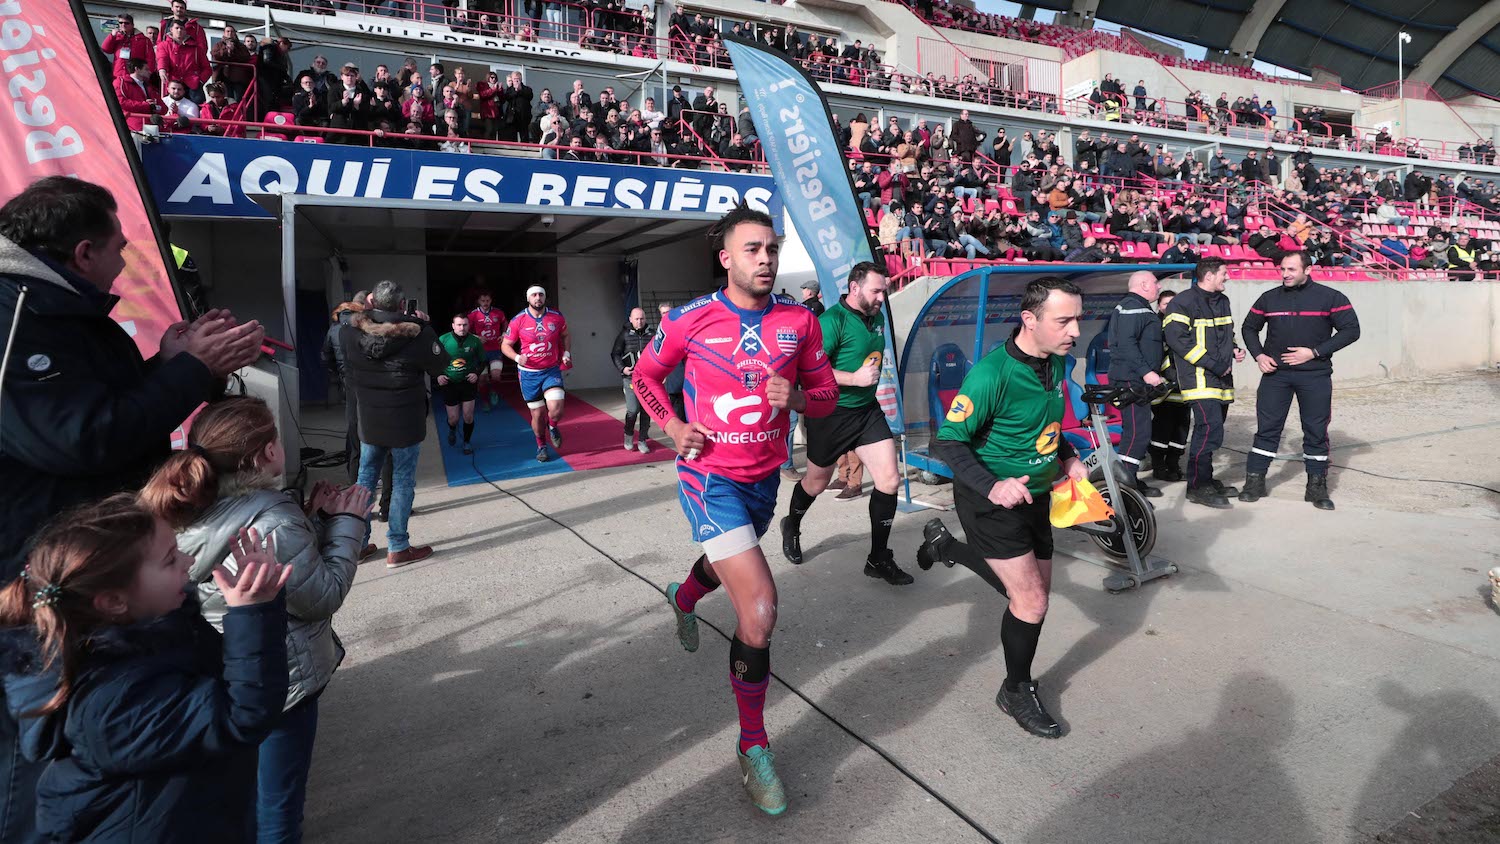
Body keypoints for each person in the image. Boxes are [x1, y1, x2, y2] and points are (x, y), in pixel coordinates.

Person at [631, 204, 838, 816]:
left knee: (727, 561)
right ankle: (753, 745)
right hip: (707, 479)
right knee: (761, 607)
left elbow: (826, 400)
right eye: (752, 249)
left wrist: (797, 395)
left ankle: (685, 597)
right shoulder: (693, 318)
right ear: (726, 258)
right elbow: (645, 376)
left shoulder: (800, 321)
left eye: (771, 248)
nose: (766, 259)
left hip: (762, 480)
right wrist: (670, 424)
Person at [0, 176, 263, 581]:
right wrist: (194, 368)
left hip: (94, 547)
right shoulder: (16, 319)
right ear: (84, 254)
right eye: (120, 248)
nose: (124, 263)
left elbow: (97, 401)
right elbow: (84, 437)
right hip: (58, 567)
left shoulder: (52, 310)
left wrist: (170, 363)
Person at [0, 494, 289, 842]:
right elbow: (240, 714)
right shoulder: (109, 704)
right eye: (170, 560)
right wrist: (253, 612)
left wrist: (256, 602)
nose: (188, 559)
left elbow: (223, 681)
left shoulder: (161, 630)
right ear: (114, 602)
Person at [141, 397, 367, 842]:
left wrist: (312, 521)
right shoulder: (272, 520)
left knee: (245, 796)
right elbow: (321, 596)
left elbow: (278, 572)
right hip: (282, 681)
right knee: (278, 807)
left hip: (229, 673)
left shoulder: (193, 506)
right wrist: (347, 523)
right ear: (265, 453)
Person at [913, 277, 1090, 738]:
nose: (1074, 330)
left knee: (1034, 597)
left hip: (1037, 496)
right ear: (1029, 320)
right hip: (989, 498)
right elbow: (948, 442)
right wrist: (992, 487)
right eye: (1064, 320)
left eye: (1078, 320)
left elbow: (1044, 426)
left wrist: (1068, 457)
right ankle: (1015, 691)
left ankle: (946, 547)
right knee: (1030, 600)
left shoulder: (1055, 363)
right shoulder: (991, 374)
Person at [779, 263, 912, 585]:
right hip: (830, 413)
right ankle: (792, 524)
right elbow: (808, 371)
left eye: (885, 290)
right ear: (854, 288)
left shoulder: (877, 316)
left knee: (889, 479)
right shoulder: (831, 322)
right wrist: (853, 377)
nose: (883, 297)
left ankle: (878, 558)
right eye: (876, 291)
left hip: (867, 410)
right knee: (816, 482)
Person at [1238, 251, 1361, 510]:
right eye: (1282, 269)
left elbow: (1352, 330)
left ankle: (1316, 487)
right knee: (1268, 429)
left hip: (1315, 375)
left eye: (1291, 269)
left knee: (1315, 431)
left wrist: (1314, 352)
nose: (1285, 274)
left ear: (1308, 270)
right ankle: (1254, 481)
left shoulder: (1330, 297)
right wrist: (1259, 355)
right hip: (1276, 376)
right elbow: (1249, 327)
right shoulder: (1269, 298)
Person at [340, 280, 446, 569]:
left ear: (372, 302)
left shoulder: (350, 331)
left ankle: (358, 546)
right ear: (402, 305)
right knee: (401, 482)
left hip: (370, 421)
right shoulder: (418, 333)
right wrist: (424, 325)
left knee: (364, 483)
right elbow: (440, 365)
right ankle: (398, 547)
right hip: (405, 422)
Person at [1162, 257, 1245, 508]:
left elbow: (1225, 334)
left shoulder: (1223, 301)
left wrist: (1234, 349)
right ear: (1209, 276)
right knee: (1208, 430)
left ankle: (1206, 479)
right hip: (1199, 378)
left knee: (1214, 430)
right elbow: (1178, 341)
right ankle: (1197, 486)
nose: (1227, 277)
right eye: (1224, 273)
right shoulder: (1182, 302)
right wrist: (1215, 364)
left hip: (1221, 378)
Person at [1106, 271, 1165, 497]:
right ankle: (1124, 487)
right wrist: (1147, 372)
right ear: (1143, 284)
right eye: (1154, 283)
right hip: (1132, 379)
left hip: (1134, 378)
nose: (1158, 287)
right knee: (1138, 433)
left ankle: (1128, 480)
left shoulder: (1136, 306)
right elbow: (1127, 344)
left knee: (1135, 431)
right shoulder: (1132, 307)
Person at [502, 286, 571, 462]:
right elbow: (505, 345)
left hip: (551, 370)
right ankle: (541, 445)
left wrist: (566, 353)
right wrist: (517, 357)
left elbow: (566, 335)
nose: (537, 298)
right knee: (538, 416)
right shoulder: (518, 320)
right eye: (534, 295)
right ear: (528, 299)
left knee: (556, 410)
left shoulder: (556, 316)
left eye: (541, 295)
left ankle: (553, 426)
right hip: (529, 375)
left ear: (545, 298)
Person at [1148, 289, 1190, 483]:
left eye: (1173, 303)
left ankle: (1174, 464)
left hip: (1184, 387)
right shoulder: (1155, 326)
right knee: (1162, 427)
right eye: (1165, 304)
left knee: (1181, 428)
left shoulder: (1185, 323)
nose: (1170, 307)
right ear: (1159, 306)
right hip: (1164, 388)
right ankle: (1158, 466)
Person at [438, 314, 485, 456]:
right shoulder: (443, 340)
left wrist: (476, 373)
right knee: (453, 418)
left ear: (468, 325)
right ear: (453, 325)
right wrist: (438, 375)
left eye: (465, 325)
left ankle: (466, 441)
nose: (462, 328)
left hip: (467, 382)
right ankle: (452, 429)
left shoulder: (475, 341)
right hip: (450, 382)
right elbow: (433, 360)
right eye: (459, 325)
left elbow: (483, 361)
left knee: (468, 416)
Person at [611, 307, 653, 453]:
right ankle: (628, 435)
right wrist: (622, 369)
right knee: (633, 410)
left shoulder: (652, 334)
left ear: (645, 319)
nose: (639, 321)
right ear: (630, 319)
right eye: (636, 319)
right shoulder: (624, 334)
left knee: (646, 410)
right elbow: (615, 354)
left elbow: (660, 355)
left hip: (648, 379)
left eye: (641, 318)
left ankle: (642, 440)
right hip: (630, 378)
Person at [466, 288, 508, 412]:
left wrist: (504, 334)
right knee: (482, 379)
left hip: (495, 349)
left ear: (491, 301)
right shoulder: (473, 315)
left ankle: (493, 392)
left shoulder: (498, 313)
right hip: (480, 352)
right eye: (483, 300)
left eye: (488, 300)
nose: (485, 303)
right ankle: (485, 402)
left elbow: (505, 323)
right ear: (478, 301)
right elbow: (464, 329)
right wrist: (476, 337)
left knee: (496, 376)